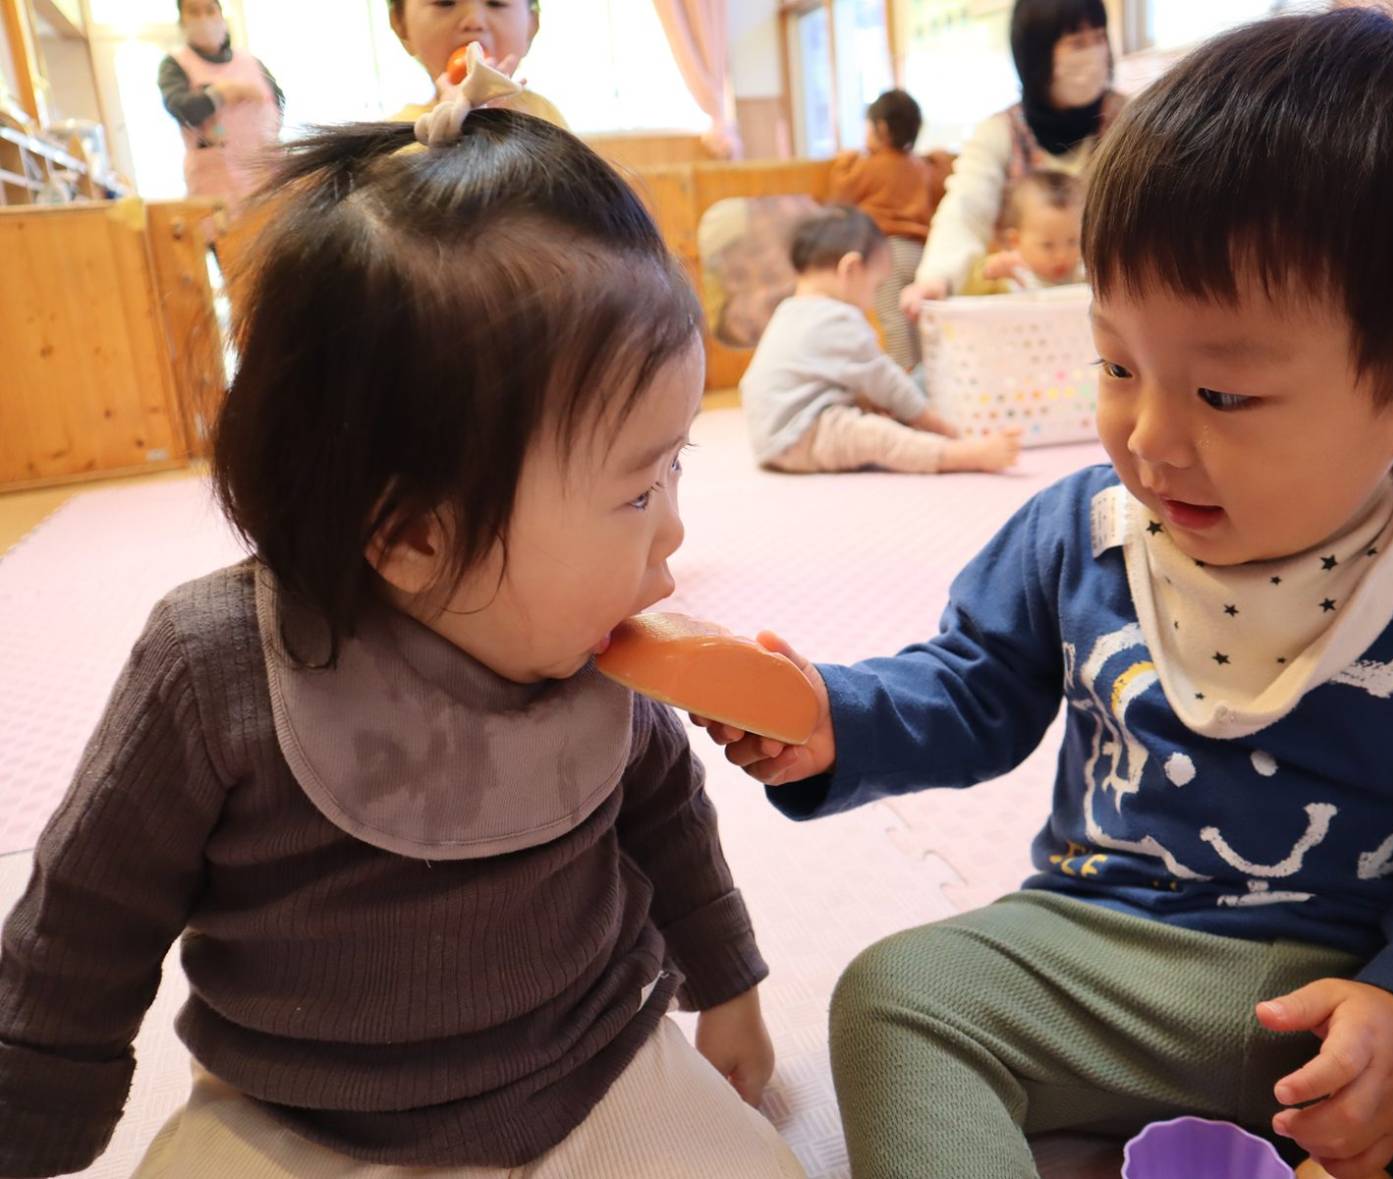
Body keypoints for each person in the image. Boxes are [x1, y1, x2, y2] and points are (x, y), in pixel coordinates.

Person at [702, 11, 1393, 1178]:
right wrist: (832, 720)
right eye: (1117, 364)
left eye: (1223, 395)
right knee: (898, 996)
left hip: (1376, 979)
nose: (1146, 439)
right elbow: (971, 687)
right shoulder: (1081, 533)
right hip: (1107, 951)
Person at [0, 103, 802, 1179]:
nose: (676, 530)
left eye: (676, 470)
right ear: (415, 535)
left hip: (593, 1057)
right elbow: (86, 912)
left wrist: (729, 983)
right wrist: (34, 1112)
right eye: (634, 493)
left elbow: (668, 816)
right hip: (294, 1108)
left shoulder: (597, 646)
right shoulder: (216, 668)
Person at [741, 205, 1022, 476]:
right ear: (851, 269)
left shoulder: (789, 311)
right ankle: (959, 455)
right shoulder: (837, 318)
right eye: (876, 287)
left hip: (773, 438)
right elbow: (887, 381)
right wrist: (934, 422)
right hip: (801, 434)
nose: (874, 301)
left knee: (874, 415)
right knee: (880, 436)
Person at [900, 0, 1122, 318]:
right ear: (1036, 53)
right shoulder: (1000, 132)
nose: (1093, 52)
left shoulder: (1129, 121)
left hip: (1115, 310)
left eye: (1099, 37)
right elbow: (965, 210)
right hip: (1027, 317)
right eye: (1077, 43)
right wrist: (937, 278)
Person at [828, 89, 942, 369]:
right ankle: (928, 373)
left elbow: (839, 197)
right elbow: (940, 190)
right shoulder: (920, 166)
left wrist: (844, 163)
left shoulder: (868, 166)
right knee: (921, 315)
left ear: (881, 129)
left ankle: (904, 376)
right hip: (921, 252)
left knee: (894, 320)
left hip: (887, 253)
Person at [158, 0, 282, 206]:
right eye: (194, 12)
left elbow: (278, 104)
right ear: (182, 20)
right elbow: (180, 108)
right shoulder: (175, 65)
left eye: (210, 10)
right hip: (216, 190)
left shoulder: (251, 62)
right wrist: (221, 93)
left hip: (266, 179)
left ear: (221, 15)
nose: (204, 19)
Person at [388, 0, 566, 128]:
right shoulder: (397, 139)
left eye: (496, 3)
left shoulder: (546, 117)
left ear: (531, 27)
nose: (474, 21)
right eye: (445, 2)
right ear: (401, 25)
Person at [961, 168, 1085, 294]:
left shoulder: (1084, 275)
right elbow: (965, 292)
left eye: (1073, 241)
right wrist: (988, 274)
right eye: (1047, 245)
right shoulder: (1010, 276)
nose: (1062, 256)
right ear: (1015, 241)